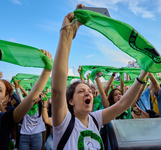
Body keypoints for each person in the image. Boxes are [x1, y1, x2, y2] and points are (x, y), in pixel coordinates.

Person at [51, 4, 149, 149]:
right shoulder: (64, 123)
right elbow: (58, 89)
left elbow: (123, 104)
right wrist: (66, 34)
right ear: (70, 101)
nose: (88, 92)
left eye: (89, 91)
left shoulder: (95, 119)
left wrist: (144, 73)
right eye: (81, 91)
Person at [0, 49, 52, 150]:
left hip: (37, 135)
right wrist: (18, 86)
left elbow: (31, 97)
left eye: (0, 90)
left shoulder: (4, 119)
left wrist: (47, 69)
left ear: (6, 97)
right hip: (24, 136)